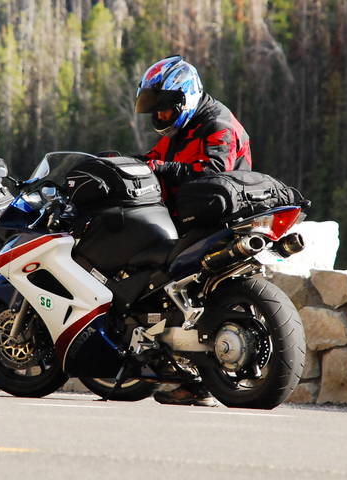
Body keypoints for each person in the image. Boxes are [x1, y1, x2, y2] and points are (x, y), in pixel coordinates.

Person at [134, 55, 253, 406]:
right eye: (156, 110)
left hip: (218, 219)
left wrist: (162, 167)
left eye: (165, 109)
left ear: (185, 98)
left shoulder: (218, 125)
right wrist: (125, 165)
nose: (160, 117)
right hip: (192, 218)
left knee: (168, 277)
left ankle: (191, 377)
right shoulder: (180, 131)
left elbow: (214, 172)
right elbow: (152, 160)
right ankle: (183, 375)